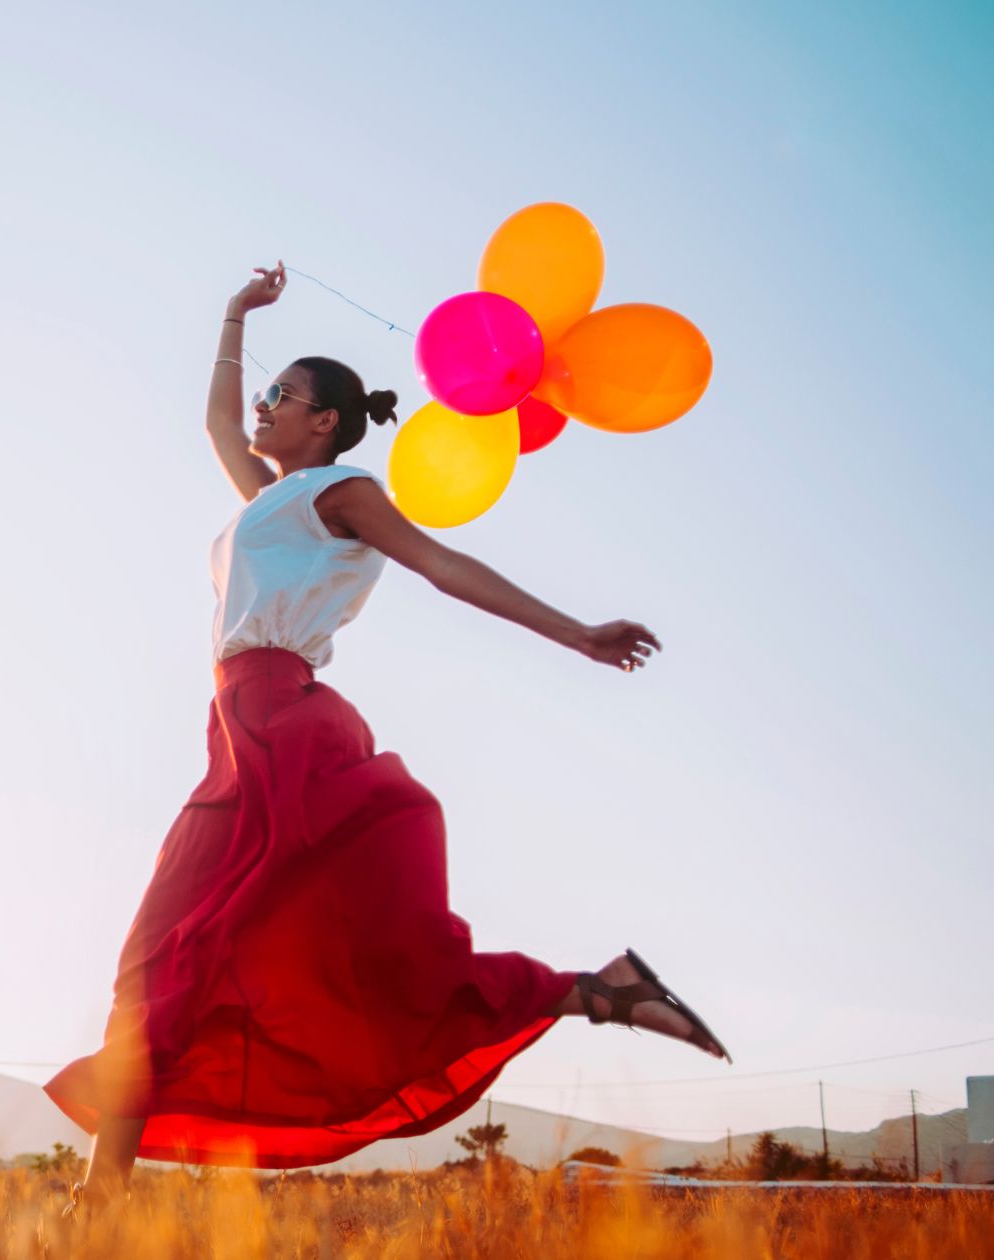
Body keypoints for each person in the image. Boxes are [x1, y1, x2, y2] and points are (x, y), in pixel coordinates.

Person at [43, 261, 728, 1213]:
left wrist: (575, 632)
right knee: (181, 955)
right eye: (267, 391)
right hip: (239, 728)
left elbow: (444, 566)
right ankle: (598, 992)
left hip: (284, 726)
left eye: (283, 395)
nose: (264, 406)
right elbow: (212, 423)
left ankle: (97, 1202)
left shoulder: (341, 492)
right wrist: (236, 315)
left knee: (184, 957)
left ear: (323, 421)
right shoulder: (264, 497)